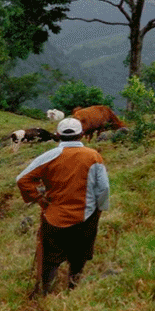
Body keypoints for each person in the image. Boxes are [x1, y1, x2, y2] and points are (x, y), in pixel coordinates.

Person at [16, 117, 110, 296]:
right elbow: (104, 188)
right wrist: (100, 208)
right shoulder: (93, 156)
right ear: (81, 134)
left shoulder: (49, 156)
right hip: (86, 215)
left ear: (58, 135)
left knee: (51, 258)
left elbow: (22, 180)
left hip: (54, 216)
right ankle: (73, 289)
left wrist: (39, 199)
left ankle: (45, 292)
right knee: (79, 254)